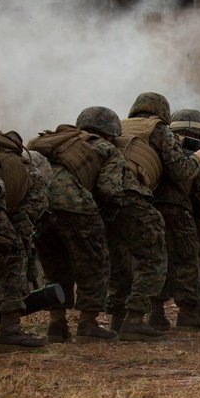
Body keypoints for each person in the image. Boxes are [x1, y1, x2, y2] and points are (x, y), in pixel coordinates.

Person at [106, 92, 200, 341]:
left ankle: (127, 317)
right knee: (174, 257)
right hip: (154, 201)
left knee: (125, 260)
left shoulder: (120, 127)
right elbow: (181, 171)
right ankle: (180, 314)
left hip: (113, 199)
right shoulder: (159, 130)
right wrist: (198, 159)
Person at [29, 107, 126, 342]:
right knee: (95, 262)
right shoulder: (107, 149)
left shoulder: (53, 142)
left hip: (38, 207)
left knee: (55, 264)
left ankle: (57, 324)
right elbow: (110, 190)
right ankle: (88, 324)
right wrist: (106, 218)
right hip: (76, 207)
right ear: (111, 132)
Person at [148, 109, 200, 332]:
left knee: (157, 258)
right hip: (180, 210)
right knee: (187, 260)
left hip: (152, 206)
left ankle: (156, 313)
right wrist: (197, 216)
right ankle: (188, 312)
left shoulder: (158, 141)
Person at [0, 132, 47, 349]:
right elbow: (22, 228)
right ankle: (10, 330)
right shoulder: (32, 175)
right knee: (13, 256)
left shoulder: (6, 163)